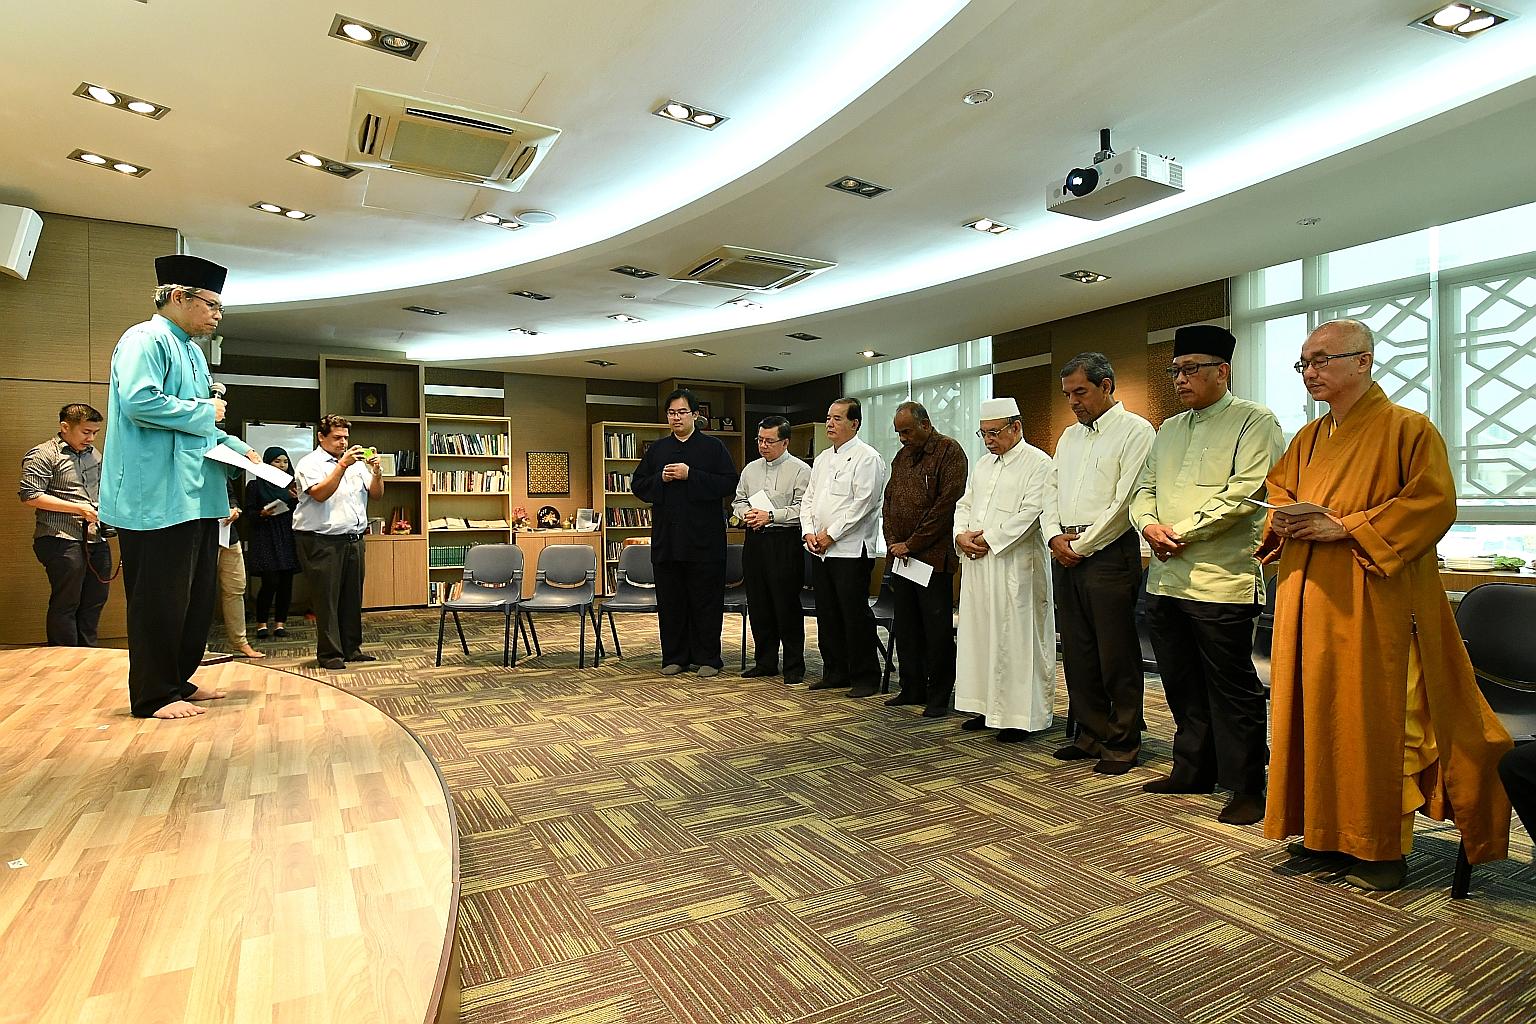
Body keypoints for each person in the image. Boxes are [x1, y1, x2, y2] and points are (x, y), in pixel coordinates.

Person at [1260, 318, 1513, 890]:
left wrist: (1347, 528)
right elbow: (1280, 490)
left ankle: (1379, 847)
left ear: (1364, 361)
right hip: (1309, 596)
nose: (1311, 372)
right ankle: (1323, 835)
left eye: (1322, 360)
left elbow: (1432, 504)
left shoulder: (1408, 429)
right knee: (1312, 713)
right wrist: (1287, 515)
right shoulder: (1308, 438)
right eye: (1304, 364)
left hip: (1373, 597)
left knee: (1373, 718)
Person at [1130, 324, 1283, 825]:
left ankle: (1246, 785)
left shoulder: (1254, 421)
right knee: (1180, 681)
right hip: (1165, 578)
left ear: (1223, 370)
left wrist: (1181, 532)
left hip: (1222, 580)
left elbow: (1247, 492)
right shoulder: (1168, 429)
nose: (1179, 379)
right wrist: (1150, 525)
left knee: (1232, 688)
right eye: (1175, 370)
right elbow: (1143, 489)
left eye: (1190, 369)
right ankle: (1192, 768)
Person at [100, 254, 259, 720]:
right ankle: (152, 695)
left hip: (196, 494)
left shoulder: (191, 349)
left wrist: (234, 444)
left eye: (219, 308)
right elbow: (139, 401)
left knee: (192, 599)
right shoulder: (143, 339)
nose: (216, 315)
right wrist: (207, 414)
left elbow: (199, 423)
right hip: (155, 496)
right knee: (158, 600)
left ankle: (178, 680)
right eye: (210, 305)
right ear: (177, 296)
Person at [1045, 354, 1156, 773]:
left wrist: (1084, 545)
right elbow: (1049, 492)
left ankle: (1123, 741)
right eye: (1068, 394)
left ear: (1106, 386)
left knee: (1116, 653)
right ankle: (1090, 733)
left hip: (1109, 553)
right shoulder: (1068, 437)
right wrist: (1054, 536)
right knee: (1077, 651)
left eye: (1080, 392)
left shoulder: (1136, 431)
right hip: (1066, 552)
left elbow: (1125, 499)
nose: (1073, 401)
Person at [953, 397, 1055, 740]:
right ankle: (985, 708)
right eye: (982, 434)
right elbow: (965, 503)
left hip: (1015, 566)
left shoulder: (1039, 463)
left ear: (1016, 427)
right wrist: (961, 535)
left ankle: (1017, 717)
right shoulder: (982, 465)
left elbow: (1031, 513)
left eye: (994, 432)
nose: (988, 440)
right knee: (980, 636)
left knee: (1015, 640)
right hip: (979, 567)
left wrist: (990, 540)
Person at [632, 388, 740, 677]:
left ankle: (708, 658)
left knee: (705, 600)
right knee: (671, 601)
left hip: (704, 540)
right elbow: (639, 485)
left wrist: (691, 475)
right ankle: (675, 656)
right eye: (671, 413)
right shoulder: (657, 449)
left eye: (682, 412)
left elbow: (729, 483)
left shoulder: (713, 447)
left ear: (695, 414)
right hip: (668, 540)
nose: (676, 418)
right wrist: (661, 478)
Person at [881, 401, 967, 717]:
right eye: (899, 433)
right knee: (906, 626)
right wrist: (893, 542)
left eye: (907, 431)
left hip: (932, 559)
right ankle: (911, 686)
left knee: (936, 629)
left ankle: (938, 694)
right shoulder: (901, 457)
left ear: (925, 424)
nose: (902, 438)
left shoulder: (949, 452)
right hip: (902, 559)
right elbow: (888, 502)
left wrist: (912, 543)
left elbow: (946, 507)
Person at [800, 398, 888, 697]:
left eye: (837, 418)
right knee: (827, 614)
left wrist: (830, 534)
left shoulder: (868, 458)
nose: (830, 424)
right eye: (828, 417)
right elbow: (809, 499)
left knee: (853, 615)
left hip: (850, 550)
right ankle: (835, 671)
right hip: (820, 549)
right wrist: (809, 532)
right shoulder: (823, 458)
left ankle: (865, 677)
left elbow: (863, 504)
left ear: (855, 423)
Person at [292, 414, 383, 670]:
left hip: (353, 539)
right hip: (320, 540)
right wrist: (341, 465)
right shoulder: (310, 463)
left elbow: (376, 494)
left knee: (352, 598)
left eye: (345, 437)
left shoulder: (357, 465)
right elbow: (320, 494)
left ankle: (352, 649)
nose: (343, 442)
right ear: (321, 437)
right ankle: (330, 654)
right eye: (337, 438)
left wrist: (376, 473)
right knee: (327, 599)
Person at [19, 403, 112, 646]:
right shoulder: (43, 454)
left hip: (95, 537)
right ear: (65, 427)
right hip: (59, 537)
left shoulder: (94, 454)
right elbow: (29, 495)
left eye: (95, 433)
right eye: (85, 432)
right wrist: (78, 509)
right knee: (67, 601)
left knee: (95, 599)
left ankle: (87, 655)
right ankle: (64, 658)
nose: (91, 438)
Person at [731, 415, 811, 683]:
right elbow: (738, 500)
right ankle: (765, 662)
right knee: (759, 602)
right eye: (760, 440)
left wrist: (771, 515)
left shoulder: (801, 470)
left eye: (769, 441)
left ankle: (793, 666)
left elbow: (804, 509)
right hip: (755, 539)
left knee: (786, 604)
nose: (763, 446)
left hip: (784, 541)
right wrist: (747, 514)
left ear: (785, 442)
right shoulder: (750, 469)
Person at [244, 447, 300, 639]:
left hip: (286, 535)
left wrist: (297, 500)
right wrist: (262, 513)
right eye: (277, 461)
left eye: (285, 461)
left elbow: (298, 512)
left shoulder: (290, 485)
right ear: (267, 463)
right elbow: (248, 514)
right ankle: (261, 624)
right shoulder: (254, 485)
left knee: (286, 582)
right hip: (265, 535)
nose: (282, 465)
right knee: (270, 582)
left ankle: (279, 624)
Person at [213, 480, 263, 659]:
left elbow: (231, 496)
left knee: (236, 589)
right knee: (200, 593)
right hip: (202, 536)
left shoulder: (220, 468)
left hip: (228, 534)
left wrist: (235, 508)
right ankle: (196, 645)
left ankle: (240, 642)